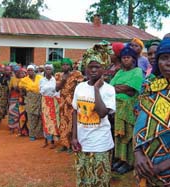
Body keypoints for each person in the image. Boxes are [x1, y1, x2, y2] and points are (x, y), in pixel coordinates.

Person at [72, 49, 116, 187]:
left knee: (100, 180)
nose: (93, 70)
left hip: (101, 143)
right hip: (83, 141)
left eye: (97, 67)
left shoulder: (109, 89)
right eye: (90, 67)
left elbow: (102, 113)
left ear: (103, 69)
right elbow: (75, 111)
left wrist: (96, 90)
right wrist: (74, 137)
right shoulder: (80, 87)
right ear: (86, 68)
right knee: (83, 178)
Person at [133, 36, 170, 187]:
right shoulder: (148, 87)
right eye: (164, 57)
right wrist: (137, 153)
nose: (168, 63)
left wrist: (159, 167)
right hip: (145, 164)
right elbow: (137, 120)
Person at [110, 46, 144, 174]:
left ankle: (129, 162)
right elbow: (111, 86)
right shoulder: (119, 73)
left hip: (129, 109)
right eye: (123, 58)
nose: (125, 60)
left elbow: (131, 90)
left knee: (129, 135)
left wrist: (117, 88)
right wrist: (121, 88)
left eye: (128, 58)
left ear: (134, 59)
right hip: (116, 108)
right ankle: (121, 159)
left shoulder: (137, 71)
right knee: (119, 135)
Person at [55, 58, 84, 153]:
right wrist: (63, 80)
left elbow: (81, 85)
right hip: (63, 103)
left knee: (72, 123)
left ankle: (72, 145)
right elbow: (57, 88)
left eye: (67, 65)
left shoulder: (76, 74)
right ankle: (64, 144)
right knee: (63, 123)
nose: (65, 66)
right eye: (63, 65)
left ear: (70, 66)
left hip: (72, 101)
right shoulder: (59, 75)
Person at [19, 65, 43, 141]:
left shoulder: (40, 78)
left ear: (34, 70)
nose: (30, 72)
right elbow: (21, 89)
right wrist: (24, 94)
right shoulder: (24, 80)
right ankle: (32, 135)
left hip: (39, 98)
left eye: (31, 70)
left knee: (39, 116)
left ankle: (39, 134)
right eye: (28, 70)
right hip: (30, 99)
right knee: (31, 116)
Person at [40, 63, 60, 149]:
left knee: (53, 121)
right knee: (45, 120)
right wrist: (50, 89)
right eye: (46, 69)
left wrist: (49, 90)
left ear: (52, 70)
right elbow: (41, 91)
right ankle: (45, 140)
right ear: (44, 70)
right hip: (45, 101)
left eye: (49, 69)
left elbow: (57, 91)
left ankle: (52, 141)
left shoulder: (55, 80)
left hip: (53, 101)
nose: (48, 71)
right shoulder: (42, 80)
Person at [8, 65, 21, 133]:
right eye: (15, 72)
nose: (17, 73)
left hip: (20, 98)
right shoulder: (12, 79)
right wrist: (9, 98)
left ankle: (19, 127)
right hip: (13, 97)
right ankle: (11, 127)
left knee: (19, 112)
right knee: (11, 112)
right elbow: (10, 89)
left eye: (18, 72)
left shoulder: (23, 79)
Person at [17, 68, 29, 136]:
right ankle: (22, 131)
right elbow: (20, 92)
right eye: (21, 73)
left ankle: (28, 131)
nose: (22, 74)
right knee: (22, 116)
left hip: (28, 100)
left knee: (28, 116)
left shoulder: (28, 80)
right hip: (22, 100)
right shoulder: (20, 81)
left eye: (23, 73)